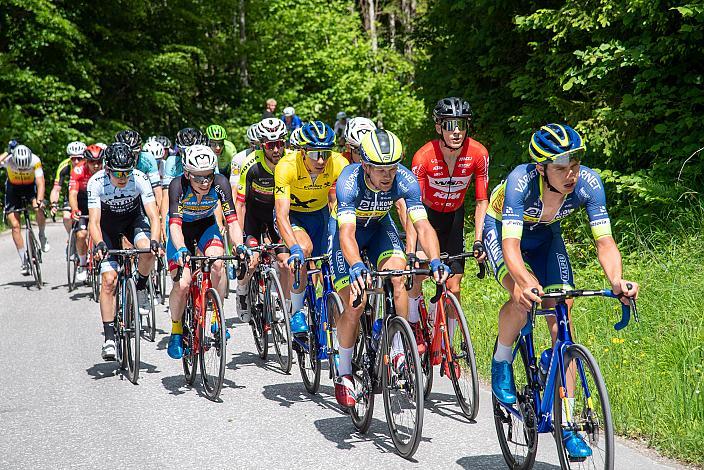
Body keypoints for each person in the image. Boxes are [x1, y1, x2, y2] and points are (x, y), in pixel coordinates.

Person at [483, 123, 639, 458]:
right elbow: (511, 247)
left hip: (545, 237)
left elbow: (605, 241)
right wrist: (524, 281)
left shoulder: (589, 183)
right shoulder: (520, 183)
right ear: (541, 168)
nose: (571, 174)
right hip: (502, 232)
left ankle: (565, 423)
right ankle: (502, 361)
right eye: (560, 167)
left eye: (575, 164)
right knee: (520, 297)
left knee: (562, 316)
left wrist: (616, 280)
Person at [329, 129, 449, 408]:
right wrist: (357, 265)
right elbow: (346, 234)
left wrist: (434, 261)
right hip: (349, 236)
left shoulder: (405, 180)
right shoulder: (349, 181)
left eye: (392, 168)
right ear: (366, 165)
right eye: (381, 169)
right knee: (355, 304)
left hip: (380, 228)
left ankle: (398, 347)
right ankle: (345, 372)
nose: (388, 175)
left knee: (399, 276)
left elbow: (422, 226)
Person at [405, 97, 489, 358]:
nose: (457, 131)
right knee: (418, 274)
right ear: (439, 127)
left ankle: (447, 345)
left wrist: (478, 239)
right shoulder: (423, 156)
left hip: (454, 217)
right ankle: (414, 326)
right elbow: (413, 209)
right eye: (450, 124)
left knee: (454, 287)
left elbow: (481, 200)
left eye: (462, 125)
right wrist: (410, 250)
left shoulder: (478, 153)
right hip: (426, 218)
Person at [165, 145, 245, 359]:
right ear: (187, 174)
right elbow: (174, 225)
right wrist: (181, 249)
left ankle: (216, 317)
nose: (205, 182)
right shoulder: (177, 186)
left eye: (208, 176)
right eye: (199, 178)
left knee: (217, 262)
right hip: (181, 229)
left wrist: (239, 245)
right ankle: (176, 330)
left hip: (206, 226)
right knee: (182, 284)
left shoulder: (220, 183)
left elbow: (232, 222)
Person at [88, 143, 160, 360]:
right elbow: (94, 221)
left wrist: (156, 241)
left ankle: (139, 286)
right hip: (107, 228)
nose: (123, 177)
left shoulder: (139, 178)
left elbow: (154, 216)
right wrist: (100, 243)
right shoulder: (96, 182)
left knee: (147, 250)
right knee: (109, 280)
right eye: (118, 173)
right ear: (107, 169)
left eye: (127, 172)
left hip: (133, 221)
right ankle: (109, 337)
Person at [274, 121, 348, 334]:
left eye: (325, 153)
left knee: (334, 257)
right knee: (303, 250)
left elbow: (345, 203)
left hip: (321, 215)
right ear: (303, 151)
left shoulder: (339, 163)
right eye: (315, 153)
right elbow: (281, 214)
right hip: (294, 216)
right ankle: (297, 311)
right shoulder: (286, 166)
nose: (321, 160)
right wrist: (294, 249)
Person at [235, 118, 290, 321]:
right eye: (270, 145)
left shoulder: (291, 161)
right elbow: (240, 204)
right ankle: (242, 292)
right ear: (261, 145)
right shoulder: (251, 165)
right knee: (251, 261)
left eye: (280, 144)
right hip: (254, 216)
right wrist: (239, 239)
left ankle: (282, 303)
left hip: (278, 216)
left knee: (285, 263)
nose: (276, 150)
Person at [0, 144, 48, 273]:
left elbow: (40, 182)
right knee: (15, 226)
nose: (21, 169)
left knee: (38, 208)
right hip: (13, 190)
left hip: (29, 189)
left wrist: (39, 200)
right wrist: (6, 152)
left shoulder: (35, 160)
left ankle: (42, 235)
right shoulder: (9, 159)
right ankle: (24, 261)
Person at [68, 144, 104, 282]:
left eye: (99, 162)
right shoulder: (78, 170)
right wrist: (75, 209)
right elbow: (73, 193)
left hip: (99, 200)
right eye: (92, 162)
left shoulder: (106, 170)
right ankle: (83, 263)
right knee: (82, 234)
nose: (96, 166)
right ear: (86, 161)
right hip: (82, 199)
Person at [50, 141, 87, 240]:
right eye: (73, 158)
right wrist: (54, 203)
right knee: (66, 217)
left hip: (86, 195)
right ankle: (71, 238)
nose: (75, 161)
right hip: (72, 194)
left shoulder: (89, 165)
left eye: (79, 158)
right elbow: (56, 189)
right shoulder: (64, 166)